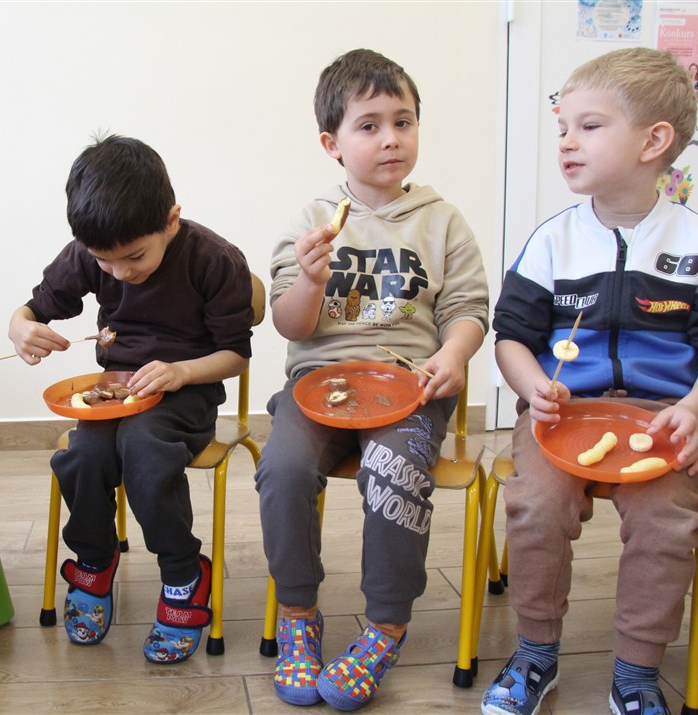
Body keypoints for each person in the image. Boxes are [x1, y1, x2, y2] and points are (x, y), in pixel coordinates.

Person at [480, 47, 698, 715]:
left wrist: (695, 411)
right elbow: (510, 338)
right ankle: (535, 651)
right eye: (562, 128)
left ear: (653, 142)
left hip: (659, 418)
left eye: (588, 127)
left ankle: (637, 671)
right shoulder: (552, 241)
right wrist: (533, 385)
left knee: (668, 523)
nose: (566, 142)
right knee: (535, 505)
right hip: (563, 414)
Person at [255, 49, 489, 710]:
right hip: (317, 384)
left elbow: (468, 309)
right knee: (283, 470)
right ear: (331, 143)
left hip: (408, 388)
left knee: (394, 471)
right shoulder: (312, 223)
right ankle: (298, 612)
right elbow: (290, 324)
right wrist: (309, 280)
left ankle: (386, 625)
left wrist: (455, 354)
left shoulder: (443, 221)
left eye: (403, 122)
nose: (391, 138)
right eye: (369, 125)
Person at [7, 134, 254, 664]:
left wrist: (180, 372)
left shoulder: (214, 259)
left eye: (134, 257)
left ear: (171, 220)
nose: (119, 272)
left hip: (189, 391)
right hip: (115, 394)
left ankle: (183, 571)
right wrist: (20, 327)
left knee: (144, 448)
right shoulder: (90, 252)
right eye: (105, 261)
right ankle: (94, 560)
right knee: (83, 456)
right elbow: (33, 309)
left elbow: (235, 355)